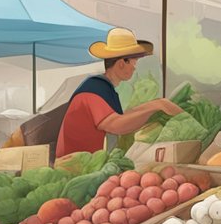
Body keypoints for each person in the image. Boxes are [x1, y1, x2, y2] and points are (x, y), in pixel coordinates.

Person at [55, 28, 180, 156]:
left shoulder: (105, 87)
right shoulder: (93, 90)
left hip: (89, 160)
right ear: (121, 63)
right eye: (134, 64)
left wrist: (156, 104)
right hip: (76, 164)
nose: (134, 69)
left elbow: (120, 116)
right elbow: (116, 125)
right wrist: (155, 107)